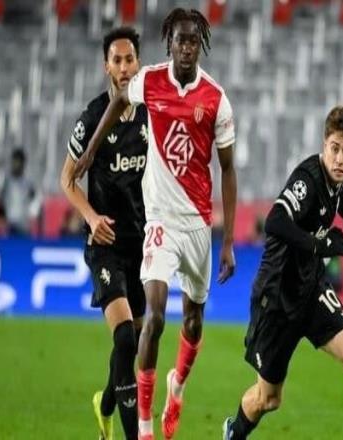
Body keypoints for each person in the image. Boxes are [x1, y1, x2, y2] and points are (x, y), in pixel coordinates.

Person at [70, 9, 237, 440]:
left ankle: (170, 389)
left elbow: (226, 168)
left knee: (188, 322)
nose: (187, 47)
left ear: (201, 44)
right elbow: (116, 105)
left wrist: (228, 241)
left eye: (193, 40)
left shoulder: (212, 100)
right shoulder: (138, 89)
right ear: (170, 44)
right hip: (147, 227)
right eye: (180, 40)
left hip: (190, 224)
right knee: (146, 327)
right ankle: (143, 429)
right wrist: (91, 152)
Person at [223, 106, 343, 440]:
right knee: (268, 399)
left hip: (311, 290)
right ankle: (233, 431)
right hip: (277, 298)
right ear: (323, 145)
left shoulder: (338, 180)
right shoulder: (308, 180)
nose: (340, 159)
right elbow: (275, 221)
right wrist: (318, 244)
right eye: (334, 149)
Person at [60, 26, 148, 440]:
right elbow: (67, 179)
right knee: (125, 338)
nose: (124, 67)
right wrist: (92, 218)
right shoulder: (93, 116)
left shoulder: (151, 114)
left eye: (130, 59)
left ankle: (106, 404)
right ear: (106, 67)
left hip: (143, 244)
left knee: (133, 344)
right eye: (117, 60)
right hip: (105, 244)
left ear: (138, 63)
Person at [0, 148, 40, 236]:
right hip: (9, 226)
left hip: (24, 225)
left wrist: (33, 216)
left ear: (23, 163)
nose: (16, 165)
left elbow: (36, 202)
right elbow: (1, 203)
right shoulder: (7, 182)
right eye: (15, 161)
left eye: (19, 162)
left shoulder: (28, 183)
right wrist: (0, 222)